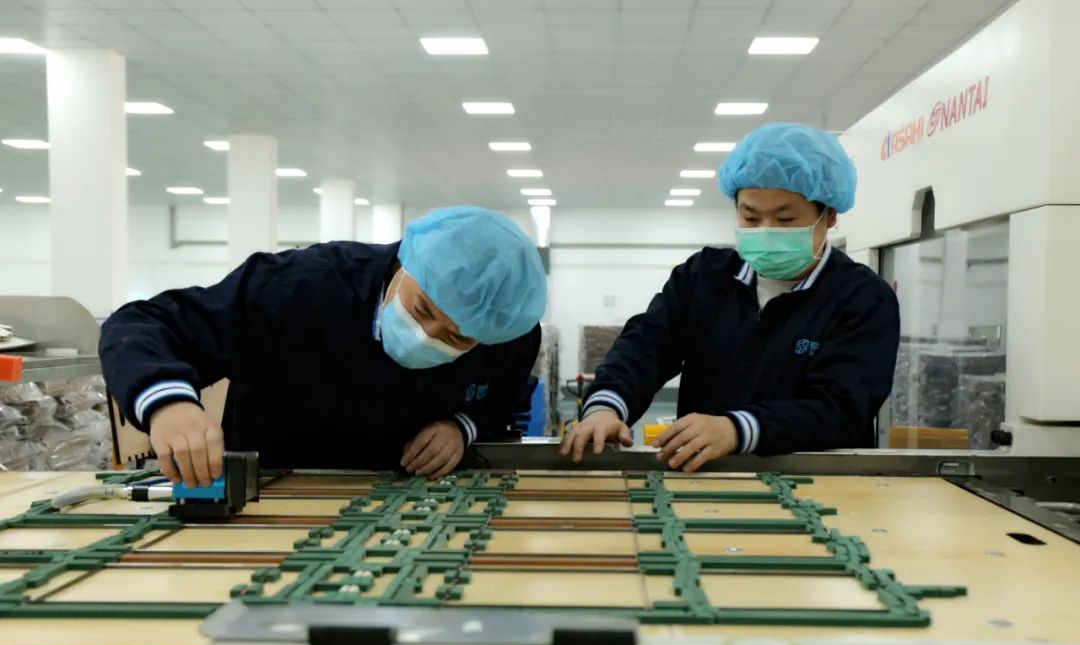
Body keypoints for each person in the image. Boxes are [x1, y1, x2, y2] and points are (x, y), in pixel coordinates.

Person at [101, 206, 547, 486]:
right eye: (422, 308)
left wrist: (461, 427)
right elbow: (145, 323)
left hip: (408, 499)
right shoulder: (300, 287)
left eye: (454, 337)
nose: (425, 335)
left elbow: (502, 400)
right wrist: (169, 406)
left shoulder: (505, 332)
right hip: (270, 492)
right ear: (404, 264)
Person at [561, 122, 900, 471]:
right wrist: (606, 406)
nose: (765, 231)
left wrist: (738, 429)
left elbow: (842, 407)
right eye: (750, 218)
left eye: (785, 220)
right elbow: (646, 345)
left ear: (828, 216)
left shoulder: (862, 298)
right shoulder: (704, 277)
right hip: (706, 477)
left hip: (823, 482)